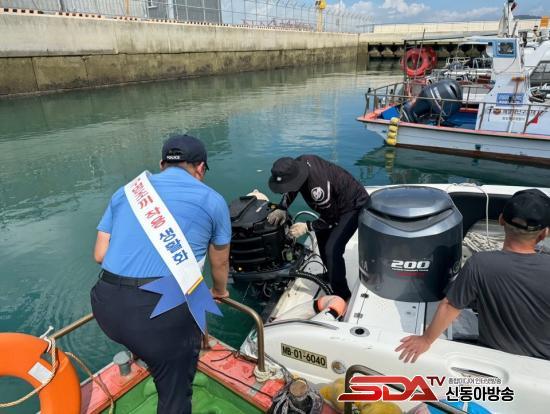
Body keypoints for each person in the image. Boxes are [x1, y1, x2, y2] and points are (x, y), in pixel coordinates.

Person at [91, 134, 231, 413]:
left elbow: (100, 254)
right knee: (175, 395)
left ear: (161, 164)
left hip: (105, 305)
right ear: (200, 168)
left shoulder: (126, 192)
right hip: (158, 317)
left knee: (151, 346)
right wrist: (219, 292)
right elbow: (220, 262)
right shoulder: (213, 200)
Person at [396, 189, 550, 363]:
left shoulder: (480, 264)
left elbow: (449, 306)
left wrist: (426, 340)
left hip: (494, 358)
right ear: (544, 233)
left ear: (501, 220)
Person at [267, 155, 369, 301]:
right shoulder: (297, 165)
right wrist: (282, 207)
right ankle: (331, 274)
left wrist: (307, 226)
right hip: (333, 203)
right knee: (321, 235)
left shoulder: (318, 188)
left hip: (352, 205)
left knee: (332, 249)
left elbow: (332, 217)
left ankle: (342, 294)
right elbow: (292, 188)